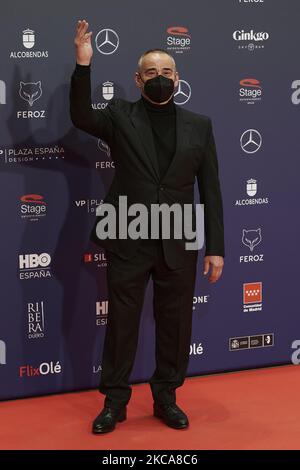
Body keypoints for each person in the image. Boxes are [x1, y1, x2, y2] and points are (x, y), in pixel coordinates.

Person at [69, 19, 225, 434]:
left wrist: (216, 247)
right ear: (138, 80)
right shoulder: (120, 115)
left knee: (175, 325)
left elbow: (211, 189)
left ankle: (166, 398)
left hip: (179, 237)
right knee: (122, 322)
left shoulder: (200, 125)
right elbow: (82, 115)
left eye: (167, 72)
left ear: (178, 79)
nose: (160, 78)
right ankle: (115, 402)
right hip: (127, 234)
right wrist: (84, 66)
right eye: (151, 73)